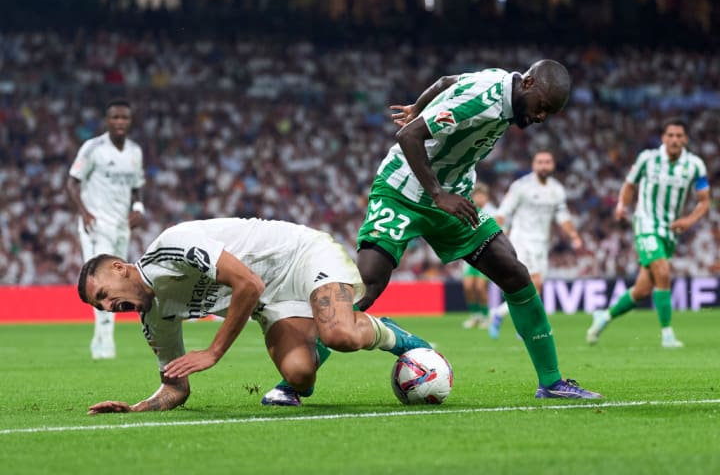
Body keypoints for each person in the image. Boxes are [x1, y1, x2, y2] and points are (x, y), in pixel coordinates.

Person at [355, 59, 601, 399]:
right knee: (367, 284)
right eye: (542, 107)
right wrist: (438, 193)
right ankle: (292, 382)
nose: (541, 117)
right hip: (404, 190)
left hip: (452, 195)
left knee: (513, 272)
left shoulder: (501, 82)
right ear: (527, 84)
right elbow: (409, 135)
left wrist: (419, 107)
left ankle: (552, 382)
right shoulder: (483, 100)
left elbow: (445, 80)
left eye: (550, 113)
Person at [78, 217, 432, 414]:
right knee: (299, 376)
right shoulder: (154, 320)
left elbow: (248, 283)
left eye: (104, 296)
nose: (109, 308)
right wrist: (136, 409)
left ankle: (391, 335)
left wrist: (213, 352)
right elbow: (175, 387)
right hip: (272, 303)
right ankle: (320, 339)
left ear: (119, 268)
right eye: (101, 307)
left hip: (301, 256)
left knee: (340, 334)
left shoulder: (172, 246)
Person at [587, 119, 710, 348]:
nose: (674, 139)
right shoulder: (647, 158)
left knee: (643, 289)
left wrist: (689, 219)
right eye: (670, 135)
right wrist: (621, 205)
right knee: (663, 270)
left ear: (685, 139)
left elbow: (704, 201)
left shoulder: (695, 165)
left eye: (679, 135)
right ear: (663, 138)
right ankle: (667, 334)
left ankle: (604, 316)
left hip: (670, 230)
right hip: (645, 222)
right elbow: (629, 184)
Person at [67, 99, 146, 360]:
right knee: (101, 282)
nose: (120, 122)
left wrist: (138, 206)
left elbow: (137, 186)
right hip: (96, 225)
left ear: (130, 121)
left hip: (121, 226)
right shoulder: (93, 148)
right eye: (115, 118)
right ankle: (104, 342)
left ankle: (103, 339)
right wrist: (85, 212)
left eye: (124, 117)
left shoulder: (135, 152)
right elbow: (72, 182)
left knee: (118, 281)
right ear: (107, 121)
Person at [488, 150, 583, 339]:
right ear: (534, 165)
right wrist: (495, 236)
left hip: (542, 244)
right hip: (521, 241)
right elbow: (503, 212)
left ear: (553, 165)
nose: (544, 165)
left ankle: (500, 315)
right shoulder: (521, 186)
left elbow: (562, 215)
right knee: (534, 283)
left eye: (547, 162)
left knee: (534, 289)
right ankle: (525, 327)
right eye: (540, 162)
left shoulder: (557, 189)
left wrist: (573, 235)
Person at [461, 183, 496, 329]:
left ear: (486, 197)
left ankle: (486, 316)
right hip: (469, 253)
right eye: (477, 195)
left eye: (482, 195)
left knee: (480, 287)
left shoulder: (493, 212)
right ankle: (476, 316)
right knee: (468, 286)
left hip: (486, 255)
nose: (479, 198)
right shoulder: (468, 210)